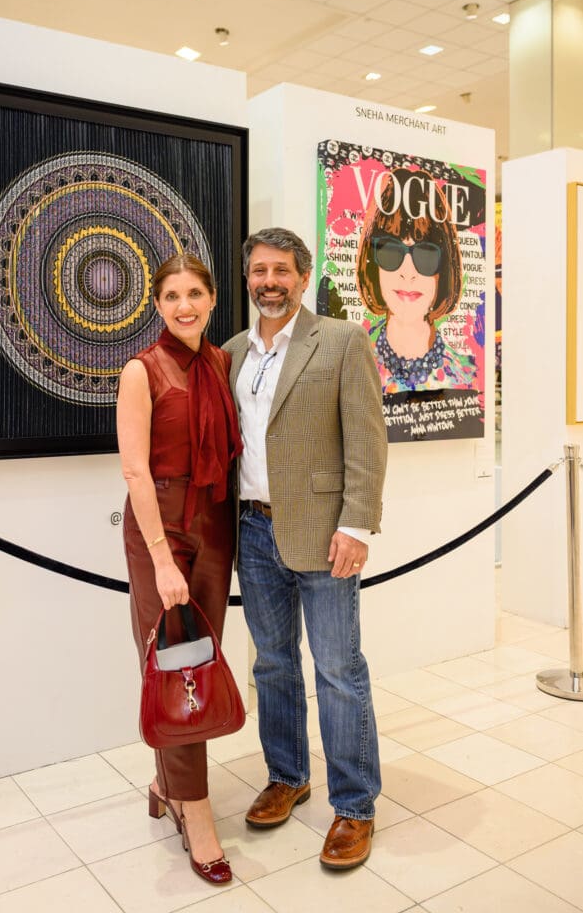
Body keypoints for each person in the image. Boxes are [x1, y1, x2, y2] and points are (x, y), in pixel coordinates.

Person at [223, 228, 387, 870]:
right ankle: (288, 775)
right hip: (253, 531)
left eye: (282, 271)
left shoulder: (341, 341)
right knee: (271, 664)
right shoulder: (231, 352)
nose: (270, 281)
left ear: (302, 276)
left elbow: (367, 440)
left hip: (325, 532)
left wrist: (358, 525)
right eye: (259, 271)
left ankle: (355, 806)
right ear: (247, 279)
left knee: (338, 670)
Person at [117, 253, 242, 886]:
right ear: (157, 303)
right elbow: (135, 470)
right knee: (178, 664)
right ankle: (196, 813)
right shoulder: (142, 370)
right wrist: (164, 560)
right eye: (172, 295)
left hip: (216, 525)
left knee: (198, 663)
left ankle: (165, 786)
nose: (184, 305)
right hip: (161, 528)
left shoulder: (221, 363)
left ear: (212, 298)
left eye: (195, 292)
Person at [356, 167, 476, 392]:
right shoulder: (352, 364)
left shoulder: (467, 378)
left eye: (426, 254)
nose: (408, 272)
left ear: (444, 270)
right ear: (372, 265)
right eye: (390, 252)